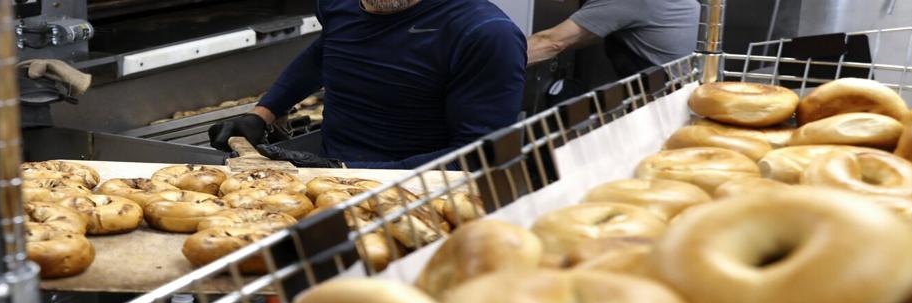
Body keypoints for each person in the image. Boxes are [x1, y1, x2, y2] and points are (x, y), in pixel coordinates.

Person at [210, 0, 526, 169]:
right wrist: (262, 114)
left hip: (422, 197)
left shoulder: (485, 34)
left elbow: (478, 157)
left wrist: (343, 170)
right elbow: (326, 52)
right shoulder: (338, 5)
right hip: (329, 184)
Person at [526, 0, 701, 80]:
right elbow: (593, 31)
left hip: (666, 101)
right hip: (686, 91)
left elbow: (550, 42)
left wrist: (500, 61)